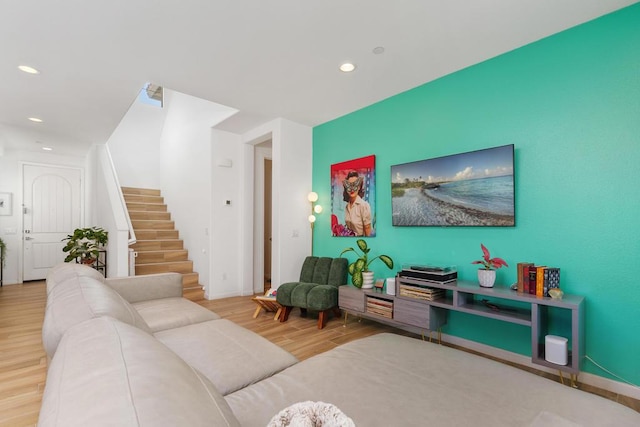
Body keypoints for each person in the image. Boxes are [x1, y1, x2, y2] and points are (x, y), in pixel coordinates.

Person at [342, 171, 372, 236]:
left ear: (359, 187)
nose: (352, 189)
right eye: (349, 185)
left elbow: (368, 229)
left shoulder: (364, 205)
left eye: (355, 185)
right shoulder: (347, 206)